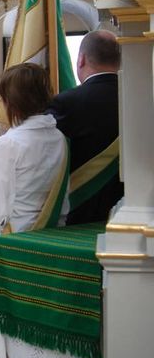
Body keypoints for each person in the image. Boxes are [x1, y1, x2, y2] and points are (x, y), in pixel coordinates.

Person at [0, 63, 69, 358]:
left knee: (17, 338)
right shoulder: (59, 138)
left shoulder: (9, 143)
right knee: (43, 335)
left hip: (14, 247)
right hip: (51, 243)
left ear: (11, 101)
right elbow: (62, 202)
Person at [48, 30, 122, 225]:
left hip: (79, 213)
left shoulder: (65, 103)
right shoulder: (143, 99)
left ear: (81, 59)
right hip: (130, 212)